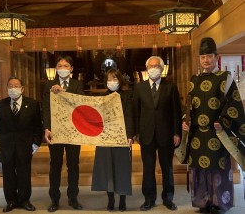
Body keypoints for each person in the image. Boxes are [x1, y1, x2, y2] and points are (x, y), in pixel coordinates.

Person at [182, 37, 245, 214]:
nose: (206, 60)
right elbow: (189, 105)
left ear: (216, 57)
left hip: (216, 133)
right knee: (200, 170)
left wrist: (223, 122)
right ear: (199, 59)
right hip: (197, 135)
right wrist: (185, 121)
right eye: (203, 57)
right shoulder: (194, 79)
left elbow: (234, 104)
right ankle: (203, 202)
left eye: (209, 56)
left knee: (218, 169)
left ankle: (219, 203)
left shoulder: (225, 78)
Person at [133, 56, 182, 211]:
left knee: (167, 167)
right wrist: (135, 132)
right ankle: (149, 198)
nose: (154, 68)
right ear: (147, 69)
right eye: (151, 66)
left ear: (162, 69)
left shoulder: (171, 87)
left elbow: (176, 111)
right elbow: (136, 112)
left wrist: (177, 133)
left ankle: (168, 198)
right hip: (146, 134)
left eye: (157, 66)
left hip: (166, 134)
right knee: (148, 168)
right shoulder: (139, 87)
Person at [0, 77, 43, 212]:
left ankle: (24, 200)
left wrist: (35, 144)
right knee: (8, 175)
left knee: (24, 174)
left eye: (16, 86)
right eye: (10, 86)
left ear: (22, 89)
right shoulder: (0, 104)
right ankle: (10, 201)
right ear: (7, 88)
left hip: (25, 145)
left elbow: (37, 127)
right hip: (6, 146)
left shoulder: (32, 104)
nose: (13, 88)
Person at [43, 55, 84, 212]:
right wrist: (47, 128)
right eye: (59, 66)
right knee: (55, 165)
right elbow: (46, 108)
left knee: (73, 165)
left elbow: (80, 104)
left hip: (74, 131)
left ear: (71, 69)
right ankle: (54, 199)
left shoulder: (77, 84)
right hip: (56, 131)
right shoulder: (49, 85)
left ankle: (73, 198)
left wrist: (64, 92)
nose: (62, 68)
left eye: (65, 66)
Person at [91, 69, 134, 211]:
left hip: (121, 138)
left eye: (115, 78)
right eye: (109, 79)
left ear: (120, 80)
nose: (112, 81)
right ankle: (110, 200)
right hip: (105, 138)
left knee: (122, 169)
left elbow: (129, 116)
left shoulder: (127, 96)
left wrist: (129, 136)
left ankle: (122, 200)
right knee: (107, 168)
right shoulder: (102, 97)